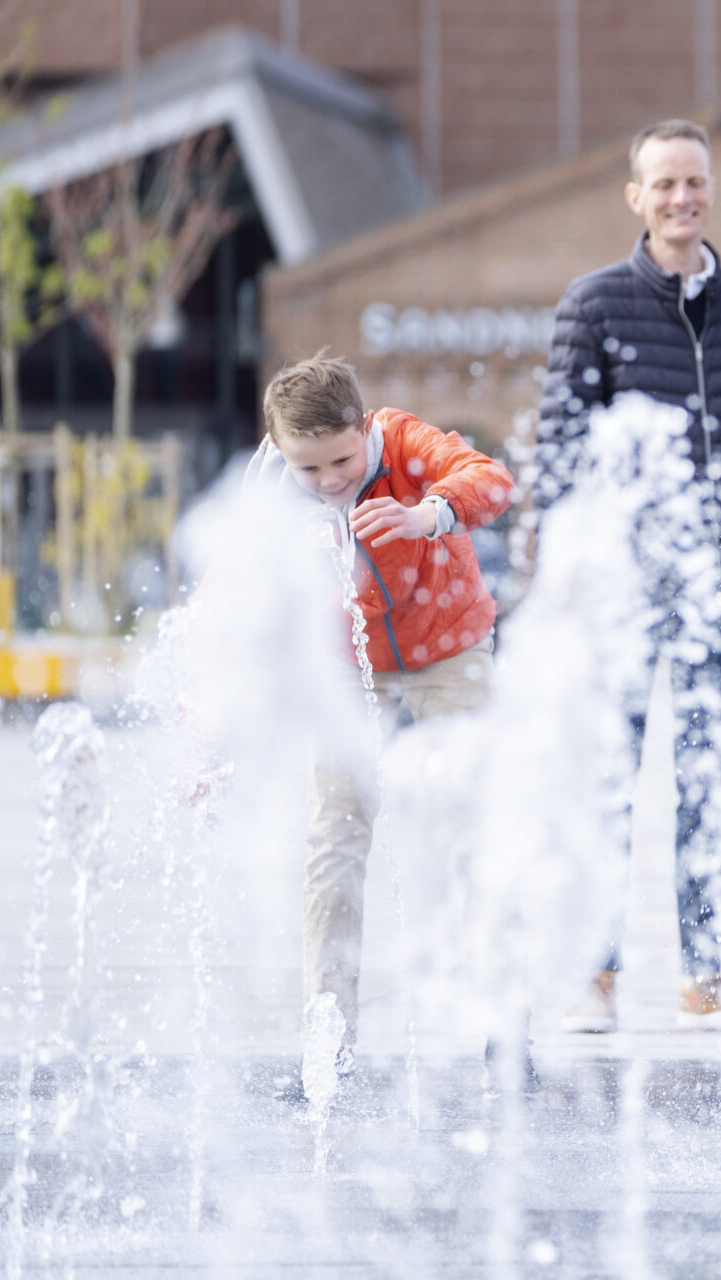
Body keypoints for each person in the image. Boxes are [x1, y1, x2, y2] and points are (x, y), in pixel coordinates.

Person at [534, 119, 721, 1030]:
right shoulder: (593, 303)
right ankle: (594, 974)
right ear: (635, 196)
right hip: (620, 596)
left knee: (706, 782)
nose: (681, 198)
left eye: (694, 182)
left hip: (716, 590)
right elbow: (559, 446)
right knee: (608, 782)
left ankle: (703, 975)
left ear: (711, 191)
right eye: (663, 183)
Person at [246, 351, 515, 1070]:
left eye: (339, 461)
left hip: (448, 652)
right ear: (281, 451)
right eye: (310, 470)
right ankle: (328, 1039)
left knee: (470, 829)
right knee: (334, 839)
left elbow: (493, 480)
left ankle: (502, 1025)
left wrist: (429, 513)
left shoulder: (400, 441)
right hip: (347, 669)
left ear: (360, 427)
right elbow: (230, 599)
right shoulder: (271, 483)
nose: (329, 482)